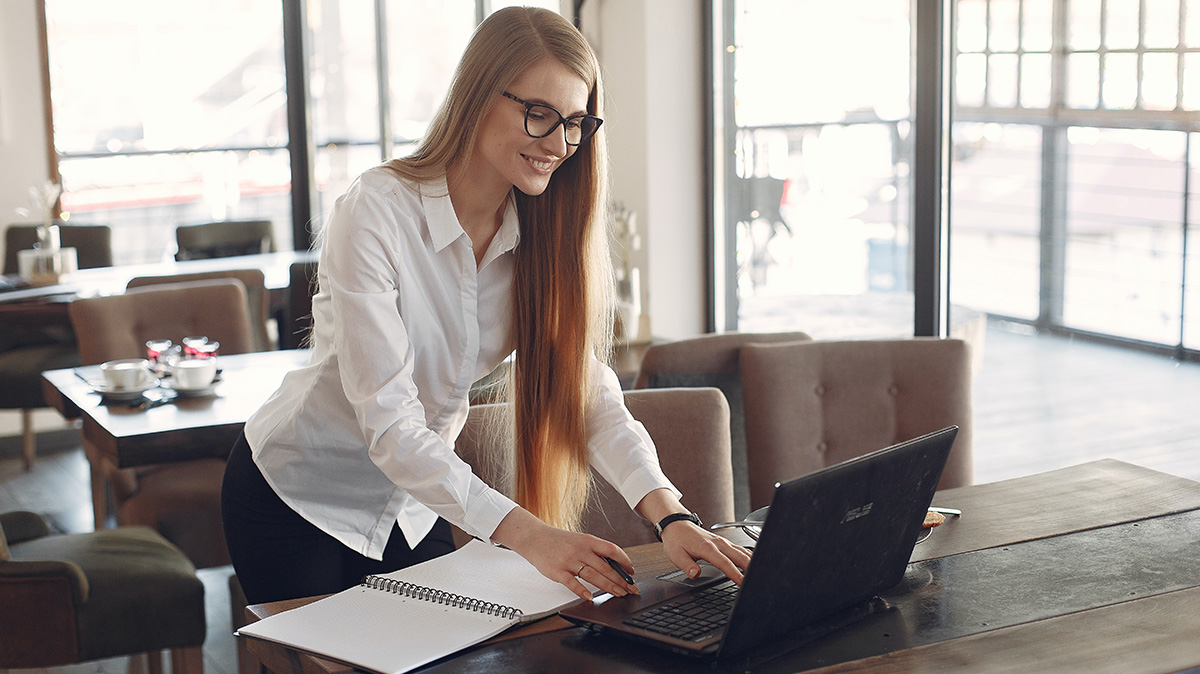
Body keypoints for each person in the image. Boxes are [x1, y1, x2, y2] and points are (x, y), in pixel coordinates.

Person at [221, 6, 750, 607]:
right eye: (539, 115)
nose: (560, 144)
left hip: (415, 505)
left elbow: (585, 391)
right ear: (476, 97)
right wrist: (532, 536)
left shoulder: (543, 232)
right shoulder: (377, 210)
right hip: (299, 497)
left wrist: (669, 515)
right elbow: (393, 425)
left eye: (576, 122)